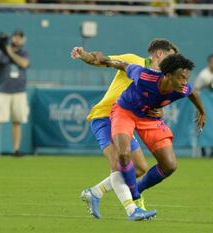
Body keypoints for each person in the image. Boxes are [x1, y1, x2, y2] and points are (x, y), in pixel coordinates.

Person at [70, 39, 178, 220]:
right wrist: (85, 56)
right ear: (159, 54)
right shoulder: (133, 60)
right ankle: (132, 210)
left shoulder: (159, 81)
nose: (174, 62)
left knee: (140, 168)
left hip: (124, 120)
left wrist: (159, 109)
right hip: (104, 117)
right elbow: (102, 60)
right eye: (171, 56)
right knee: (118, 166)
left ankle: (95, 192)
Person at [106, 54, 206, 216]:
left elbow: (192, 92)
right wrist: (104, 61)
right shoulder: (145, 76)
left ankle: (136, 188)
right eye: (181, 78)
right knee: (124, 154)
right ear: (167, 75)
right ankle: (135, 199)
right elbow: (124, 65)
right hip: (125, 112)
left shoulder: (182, 88)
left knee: (170, 165)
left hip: (149, 118)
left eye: (186, 78)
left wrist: (201, 111)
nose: (184, 82)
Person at [0, 30, 30, 156]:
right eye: (16, 37)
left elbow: (24, 64)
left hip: (19, 91)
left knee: (17, 121)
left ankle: (16, 150)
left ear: (23, 40)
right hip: (3, 91)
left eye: (20, 37)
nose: (17, 39)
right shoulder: (1, 53)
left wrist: (9, 52)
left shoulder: (23, 52)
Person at [194, 54, 213, 158]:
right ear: (209, 63)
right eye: (212, 61)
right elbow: (196, 89)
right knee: (202, 125)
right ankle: (203, 149)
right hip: (204, 105)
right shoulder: (203, 75)